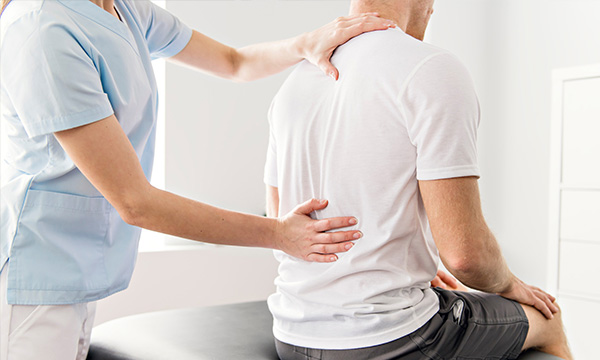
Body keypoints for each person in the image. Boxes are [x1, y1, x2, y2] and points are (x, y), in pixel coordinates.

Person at [0, 0, 397, 359]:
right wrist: (278, 233)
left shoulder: (124, 10)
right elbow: (135, 201)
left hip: (81, 268)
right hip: (35, 271)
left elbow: (233, 61)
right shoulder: (42, 29)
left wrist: (307, 43)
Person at [263, 0, 573, 359]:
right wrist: (509, 283)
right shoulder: (430, 67)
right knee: (548, 317)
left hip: (291, 334)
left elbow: (280, 226)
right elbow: (465, 257)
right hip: (388, 338)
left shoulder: (293, 83)